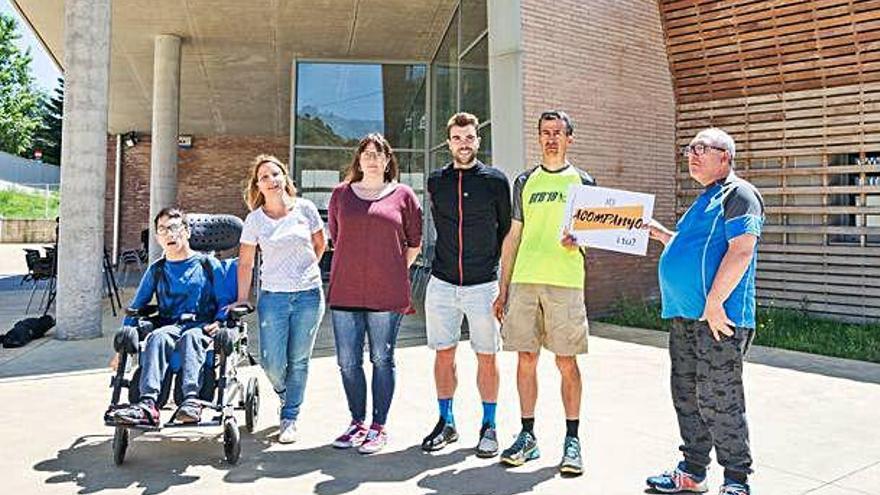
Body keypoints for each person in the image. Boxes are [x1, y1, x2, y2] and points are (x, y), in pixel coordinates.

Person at [645, 128, 763, 495]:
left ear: (725, 157)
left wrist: (714, 303)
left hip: (717, 320)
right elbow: (692, 248)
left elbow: (742, 249)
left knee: (719, 398)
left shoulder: (739, 193)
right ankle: (693, 472)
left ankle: (736, 481)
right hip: (685, 316)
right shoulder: (705, 199)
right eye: (690, 149)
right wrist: (661, 234)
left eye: (701, 148)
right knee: (686, 395)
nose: (692, 155)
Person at [493, 110, 595, 475]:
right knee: (526, 359)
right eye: (545, 132)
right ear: (538, 138)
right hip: (524, 282)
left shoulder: (583, 180)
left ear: (570, 137)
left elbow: (594, 234)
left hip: (565, 283)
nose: (551, 138)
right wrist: (502, 289)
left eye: (558, 132)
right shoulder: (525, 181)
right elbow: (514, 236)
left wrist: (580, 238)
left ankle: (572, 439)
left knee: (566, 362)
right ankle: (527, 435)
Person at [421, 112, 511, 458]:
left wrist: (502, 280)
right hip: (442, 283)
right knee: (444, 354)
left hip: (483, 285)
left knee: (486, 356)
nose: (464, 143)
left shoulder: (495, 181)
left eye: (469, 137)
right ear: (449, 142)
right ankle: (446, 421)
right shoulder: (436, 181)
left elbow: (506, 231)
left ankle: (489, 426)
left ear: (478, 140)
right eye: (457, 138)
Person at [327, 133, 422, 454]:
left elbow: (414, 243)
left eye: (378, 153)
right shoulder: (341, 194)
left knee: (382, 358)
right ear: (358, 159)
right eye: (366, 153)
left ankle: (379, 427)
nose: (371, 158)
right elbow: (337, 239)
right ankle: (357, 423)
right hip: (345, 290)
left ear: (387, 161)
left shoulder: (404, 195)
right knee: (347, 361)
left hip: (387, 293)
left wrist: (393, 270)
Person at [111, 207, 233, 426]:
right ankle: (147, 404)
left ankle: (191, 401)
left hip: (200, 325)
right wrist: (121, 350)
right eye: (162, 230)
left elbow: (224, 300)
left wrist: (219, 321)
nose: (169, 234)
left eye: (174, 228)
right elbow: (136, 307)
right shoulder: (156, 270)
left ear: (186, 232)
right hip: (169, 324)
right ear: (157, 237)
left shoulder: (208, 264)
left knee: (191, 338)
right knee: (157, 337)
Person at [236, 154, 326, 444]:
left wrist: (306, 270)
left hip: (308, 296)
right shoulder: (255, 220)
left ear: (285, 178)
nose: (272, 180)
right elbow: (246, 263)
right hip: (273, 297)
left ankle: (290, 416)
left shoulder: (306, 209)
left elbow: (320, 243)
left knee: (299, 360)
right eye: (264, 177)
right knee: (272, 362)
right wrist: (241, 297)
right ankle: (286, 395)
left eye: (276, 174)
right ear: (258, 186)